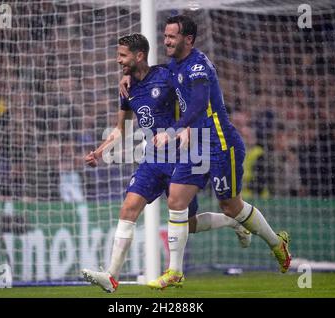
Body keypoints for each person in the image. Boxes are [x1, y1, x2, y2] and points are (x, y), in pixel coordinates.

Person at [81, 34, 251, 293]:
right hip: (153, 158)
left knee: (189, 223)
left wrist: (187, 130)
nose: (118, 60)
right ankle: (111, 276)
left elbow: (192, 100)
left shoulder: (167, 74)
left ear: (139, 56)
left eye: (123, 55)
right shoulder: (127, 89)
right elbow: (121, 128)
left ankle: (233, 222)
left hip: (182, 156)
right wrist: (100, 151)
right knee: (128, 208)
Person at [147, 15, 291, 288]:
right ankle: (175, 271)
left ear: (188, 39)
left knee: (231, 205)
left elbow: (200, 103)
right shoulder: (175, 65)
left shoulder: (198, 66)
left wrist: (173, 130)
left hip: (221, 143)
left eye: (172, 36)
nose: (166, 40)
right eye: (165, 35)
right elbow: (157, 81)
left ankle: (276, 243)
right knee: (176, 201)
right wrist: (132, 78)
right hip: (196, 144)